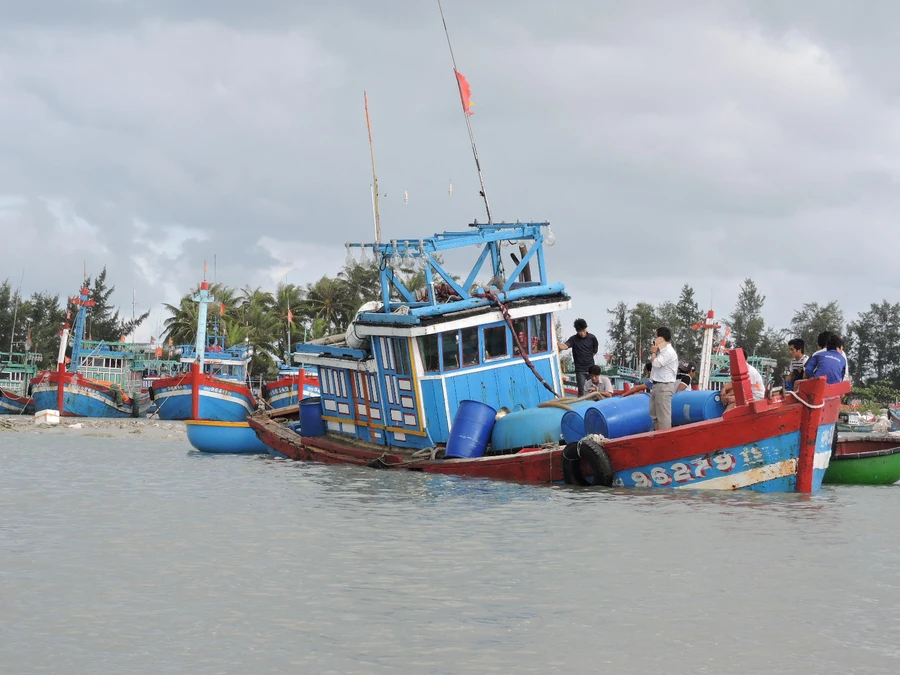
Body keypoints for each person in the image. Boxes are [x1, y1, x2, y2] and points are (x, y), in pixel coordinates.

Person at [558, 318, 599, 396]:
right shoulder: (573, 339)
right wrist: (559, 346)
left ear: (586, 329)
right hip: (580, 370)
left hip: (591, 369)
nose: (582, 333)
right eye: (580, 331)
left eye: (583, 330)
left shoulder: (592, 338)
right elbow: (566, 345)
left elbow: (595, 350)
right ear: (577, 331)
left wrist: (587, 356)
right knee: (581, 390)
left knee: (594, 388)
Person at [649, 327, 678, 430]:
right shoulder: (662, 352)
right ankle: (658, 437)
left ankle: (665, 440)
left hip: (664, 386)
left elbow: (656, 364)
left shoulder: (668, 352)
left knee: (663, 417)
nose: (654, 340)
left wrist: (653, 352)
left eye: (656, 337)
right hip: (657, 385)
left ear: (661, 339)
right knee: (654, 414)